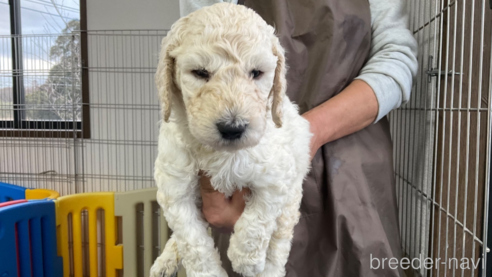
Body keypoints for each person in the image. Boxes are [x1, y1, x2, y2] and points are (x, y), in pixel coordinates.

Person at [180, 0, 418, 276]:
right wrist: (211, 189)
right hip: (249, 167)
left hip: (351, 169)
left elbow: (396, 56)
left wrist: (302, 134)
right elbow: (199, 58)